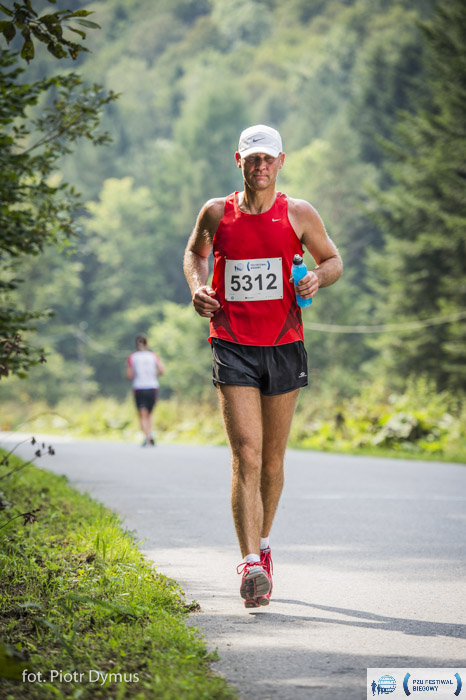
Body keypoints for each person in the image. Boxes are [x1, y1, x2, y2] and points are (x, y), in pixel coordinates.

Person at [183, 124, 343, 608]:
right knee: (247, 455)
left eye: (268, 158)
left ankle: (265, 543)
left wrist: (317, 278)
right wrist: (197, 287)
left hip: (283, 344)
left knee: (272, 461)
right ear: (239, 161)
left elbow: (333, 260)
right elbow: (195, 253)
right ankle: (251, 564)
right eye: (252, 158)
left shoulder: (298, 213)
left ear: (281, 161)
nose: (260, 166)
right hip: (232, 342)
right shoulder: (217, 212)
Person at [126, 334, 165, 446]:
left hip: (139, 387)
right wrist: (153, 375)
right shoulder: (153, 356)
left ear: (136, 345)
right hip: (152, 386)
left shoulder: (133, 357)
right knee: (150, 413)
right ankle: (150, 434)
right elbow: (162, 370)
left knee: (143, 414)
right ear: (147, 343)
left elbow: (129, 375)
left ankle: (146, 437)